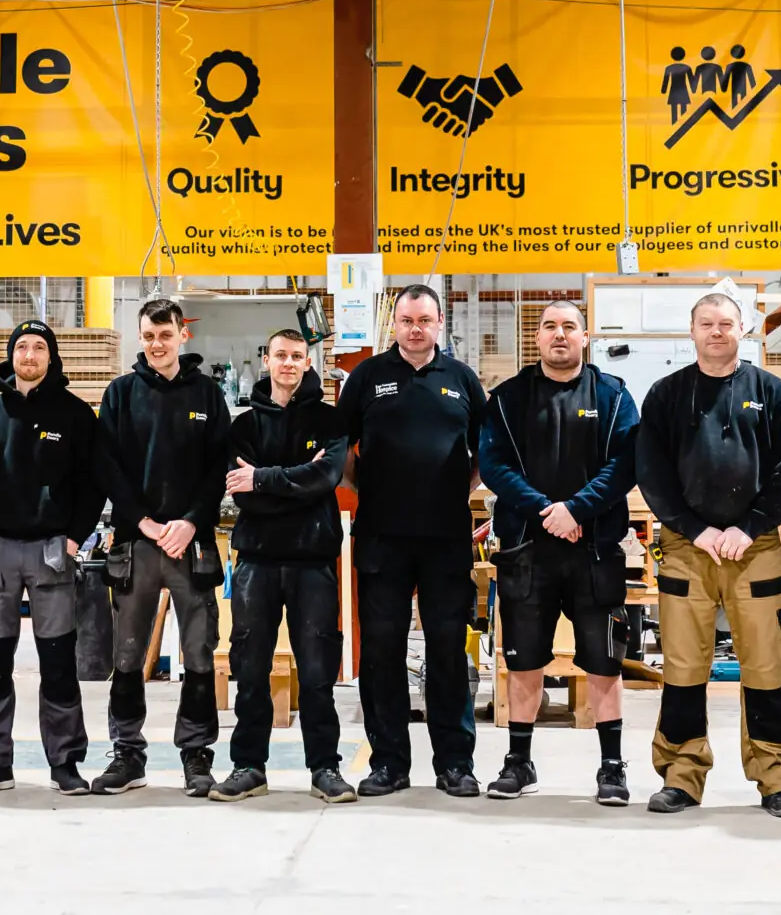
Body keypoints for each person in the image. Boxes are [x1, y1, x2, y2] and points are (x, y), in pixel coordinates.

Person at [633, 290, 781, 816]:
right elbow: (652, 473)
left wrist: (749, 527)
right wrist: (696, 529)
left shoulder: (771, 393)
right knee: (684, 667)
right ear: (692, 331)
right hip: (687, 547)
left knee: (767, 667)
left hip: (755, 546)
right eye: (706, 323)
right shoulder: (666, 395)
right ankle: (681, 776)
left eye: (726, 323)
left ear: (742, 330)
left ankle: (777, 778)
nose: (716, 332)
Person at [479, 300, 640, 805]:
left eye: (570, 326)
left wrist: (577, 511)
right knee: (523, 660)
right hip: (528, 550)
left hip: (595, 550)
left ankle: (611, 768)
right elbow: (494, 465)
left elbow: (625, 464)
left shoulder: (613, 396)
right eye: (550, 326)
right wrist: (548, 511)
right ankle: (518, 762)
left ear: (585, 337)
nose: (559, 334)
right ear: (538, 337)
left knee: (605, 661)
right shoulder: (509, 398)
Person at [338, 284, 489, 798]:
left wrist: (456, 489)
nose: (415, 328)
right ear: (395, 325)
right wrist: (370, 491)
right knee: (382, 652)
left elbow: (484, 452)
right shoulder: (367, 377)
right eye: (407, 320)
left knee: (447, 650)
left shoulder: (462, 380)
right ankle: (388, 764)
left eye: (424, 320)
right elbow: (342, 449)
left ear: (440, 323)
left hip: (446, 538)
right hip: (382, 538)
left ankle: (455, 764)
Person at [0, 319, 110, 795]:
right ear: (11, 355)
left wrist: (74, 538)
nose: (29, 355)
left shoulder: (76, 415)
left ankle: (65, 763)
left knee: (58, 662)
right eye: (21, 346)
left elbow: (93, 484)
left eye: (39, 347)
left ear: (51, 357)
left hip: (52, 553)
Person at [93, 296, 232, 797]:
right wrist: (144, 522)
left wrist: (192, 522)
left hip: (191, 544)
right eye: (149, 336)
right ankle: (127, 754)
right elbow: (106, 464)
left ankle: (196, 755)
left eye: (165, 335)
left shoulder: (208, 394)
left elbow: (219, 466)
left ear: (182, 336)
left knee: (198, 652)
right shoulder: (121, 393)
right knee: (128, 653)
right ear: (140, 337)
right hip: (138, 542)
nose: (157, 345)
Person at [213, 328, 353, 804]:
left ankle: (325, 768)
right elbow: (243, 493)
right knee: (250, 670)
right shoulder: (243, 427)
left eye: (297, 356)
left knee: (317, 672)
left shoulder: (332, 420)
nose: (289, 363)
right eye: (280, 355)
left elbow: (325, 478)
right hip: (256, 561)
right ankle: (248, 766)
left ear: (308, 363)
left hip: (313, 561)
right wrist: (293, 482)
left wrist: (263, 478)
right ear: (266, 360)